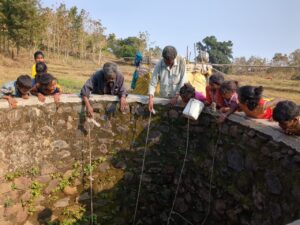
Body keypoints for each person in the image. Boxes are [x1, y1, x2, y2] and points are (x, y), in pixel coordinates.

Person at [148, 46, 186, 112]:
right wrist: (150, 99)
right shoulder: (159, 65)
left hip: (178, 99)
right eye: (166, 61)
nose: (168, 64)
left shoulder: (181, 62)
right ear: (163, 58)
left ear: (174, 58)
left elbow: (183, 81)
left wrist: (176, 97)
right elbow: (152, 83)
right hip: (164, 97)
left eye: (170, 62)